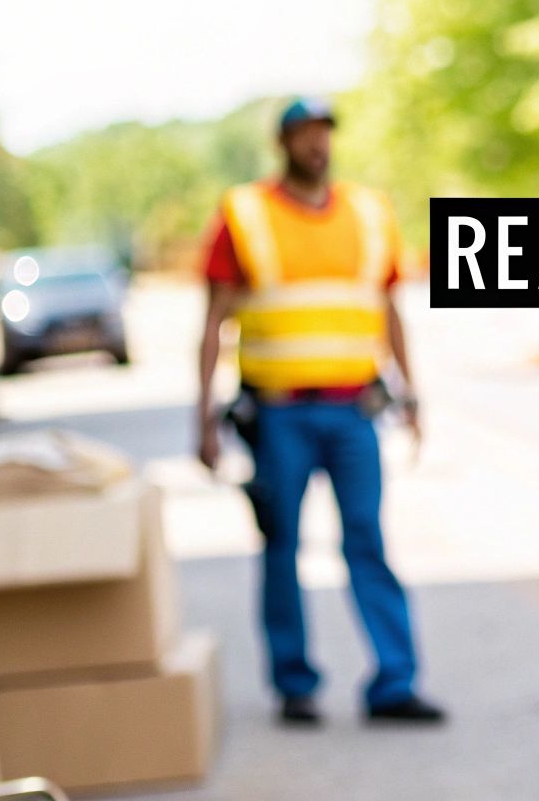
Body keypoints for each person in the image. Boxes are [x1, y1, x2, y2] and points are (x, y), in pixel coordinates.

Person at [195, 97, 443, 726]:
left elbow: (390, 312)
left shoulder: (368, 213)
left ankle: (395, 682)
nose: (317, 146)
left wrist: (410, 395)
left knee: (368, 540)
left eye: (324, 134)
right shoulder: (244, 215)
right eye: (305, 135)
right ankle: (295, 683)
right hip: (279, 415)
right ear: (283, 143)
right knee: (282, 547)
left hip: (355, 412)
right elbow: (214, 322)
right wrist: (202, 419)